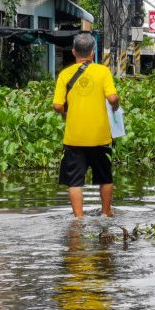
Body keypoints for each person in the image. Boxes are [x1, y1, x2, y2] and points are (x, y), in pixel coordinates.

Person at [52, 33, 120, 218]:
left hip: (74, 137)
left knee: (74, 182)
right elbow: (112, 97)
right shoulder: (102, 71)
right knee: (105, 178)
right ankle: (106, 214)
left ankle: (79, 219)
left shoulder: (65, 74)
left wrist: (66, 113)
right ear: (93, 52)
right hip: (100, 136)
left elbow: (57, 105)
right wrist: (116, 106)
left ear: (74, 52)